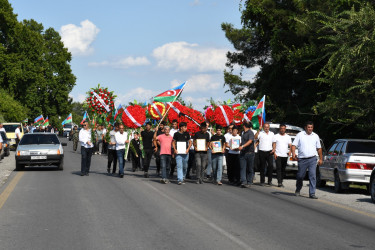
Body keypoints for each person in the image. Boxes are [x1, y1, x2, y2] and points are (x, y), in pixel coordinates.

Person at [292, 121, 323, 199]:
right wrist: (293, 153)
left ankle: (312, 193)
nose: (310, 129)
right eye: (309, 127)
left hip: (312, 158)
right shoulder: (300, 135)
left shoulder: (315, 136)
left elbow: (319, 148)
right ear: (305, 127)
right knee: (300, 176)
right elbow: (294, 145)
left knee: (312, 176)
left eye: (311, 127)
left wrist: (321, 159)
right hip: (302, 159)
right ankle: (298, 189)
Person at [239, 122, 255, 188]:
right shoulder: (243, 133)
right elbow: (242, 142)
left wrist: (242, 146)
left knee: (249, 168)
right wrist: (238, 146)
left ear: (244, 126)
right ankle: (243, 181)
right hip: (243, 153)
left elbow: (250, 141)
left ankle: (249, 181)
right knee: (242, 167)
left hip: (250, 153)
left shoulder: (250, 133)